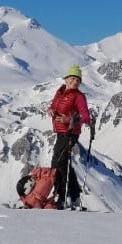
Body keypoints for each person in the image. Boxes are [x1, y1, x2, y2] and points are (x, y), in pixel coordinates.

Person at [47, 64, 91, 209]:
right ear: (66, 79)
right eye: (72, 79)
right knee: (64, 164)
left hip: (71, 133)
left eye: (78, 80)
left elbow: (86, 117)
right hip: (61, 133)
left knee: (57, 163)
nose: (75, 82)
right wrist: (51, 111)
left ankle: (61, 196)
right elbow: (53, 106)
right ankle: (75, 197)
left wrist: (69, 120)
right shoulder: (60, 92)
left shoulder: (79, 97)